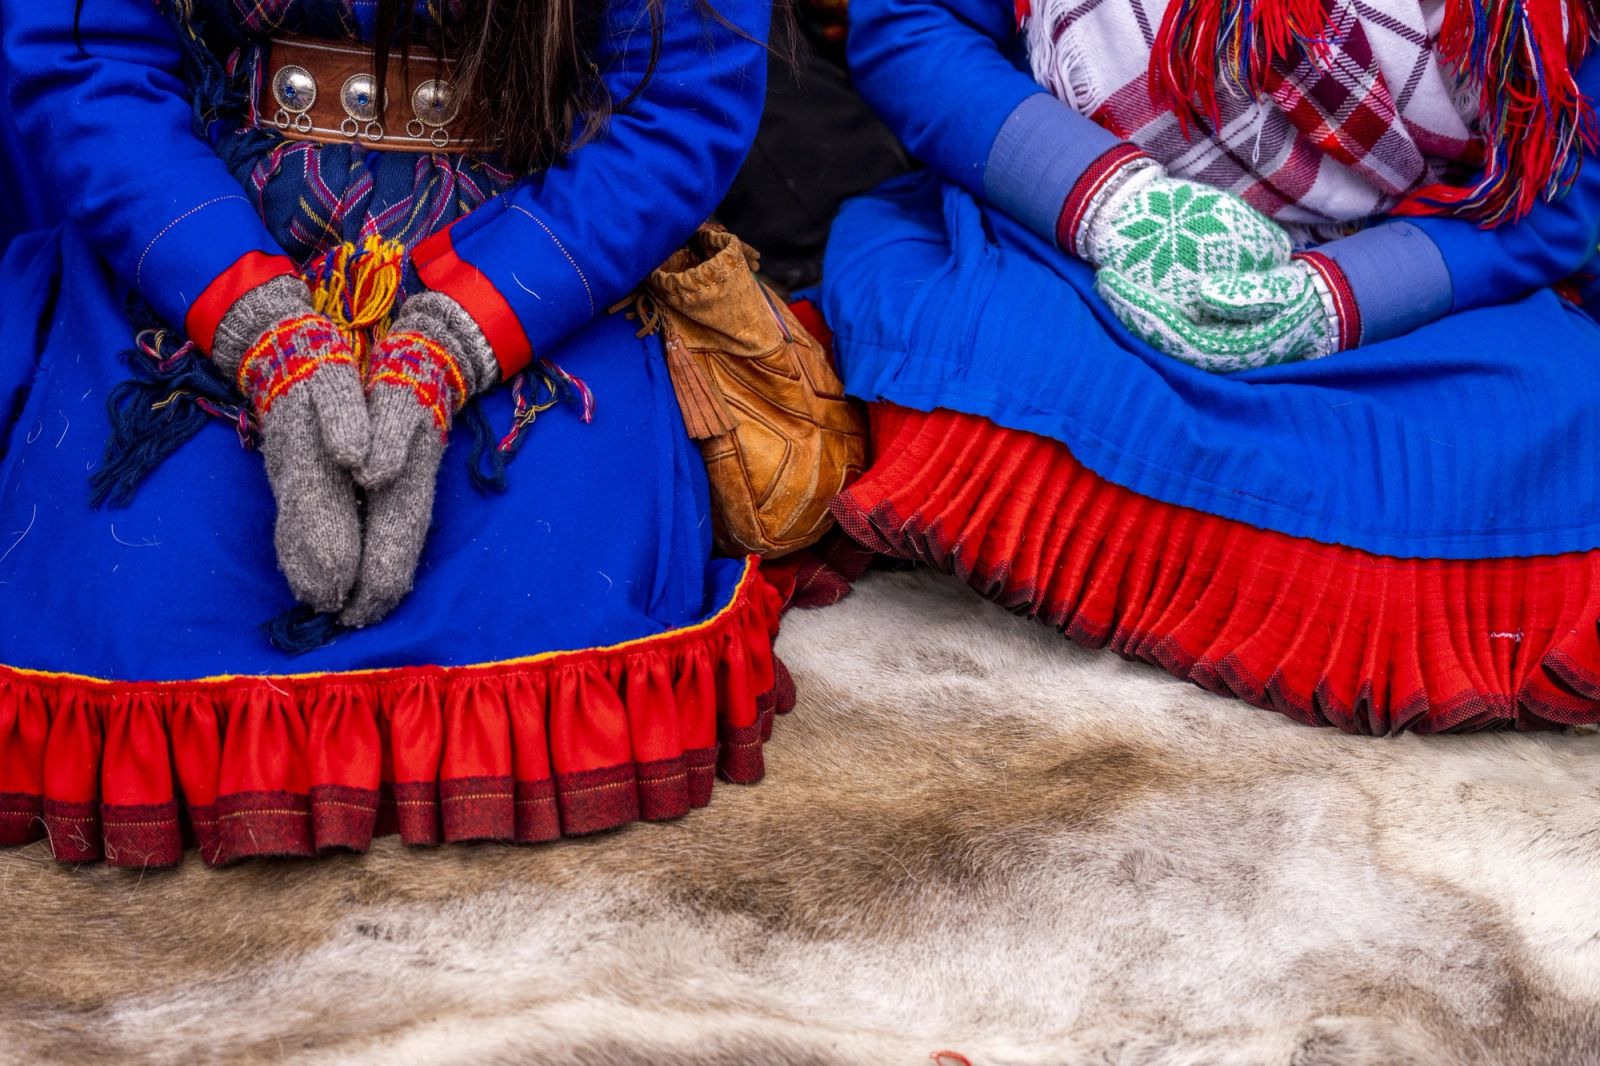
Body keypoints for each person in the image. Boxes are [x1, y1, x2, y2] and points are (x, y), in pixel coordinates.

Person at [0, 0, 785, 868]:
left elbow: (677, 103)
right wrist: (263, 333)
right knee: (135, 623)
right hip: (201, 231)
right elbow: (91, 59)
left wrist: (456, 342)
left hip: (540, 247)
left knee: (533, 622)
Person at [824, 0, 1600, 733]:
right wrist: (1113, 206)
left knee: (1557, 433)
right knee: (984, 348)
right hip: (1081, 247)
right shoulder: (1104, 214)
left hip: (1411, 298)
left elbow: (1562, 193)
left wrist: (1337, 299)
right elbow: (915, 30)